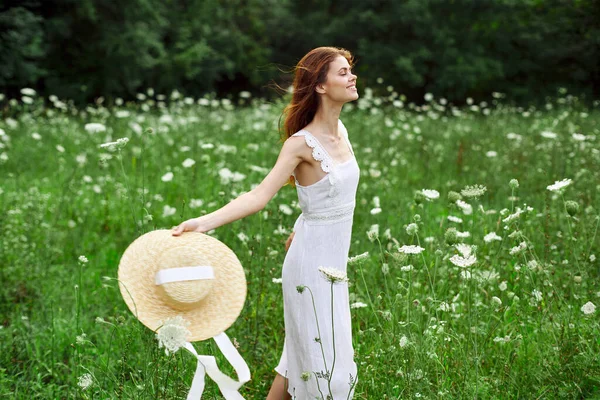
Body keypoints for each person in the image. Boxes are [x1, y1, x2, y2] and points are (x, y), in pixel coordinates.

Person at [171, 46, 360, 399]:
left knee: (296, 365)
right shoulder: (300, 144)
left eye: (350, 70)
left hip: (333, 264)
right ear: (320, 86)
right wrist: (203, 223)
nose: (352, 76)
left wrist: (301, 226)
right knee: (327, 371)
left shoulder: (342, 132)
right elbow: (258, 197)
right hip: (310, 271)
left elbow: (325, 198)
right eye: (342, 72)